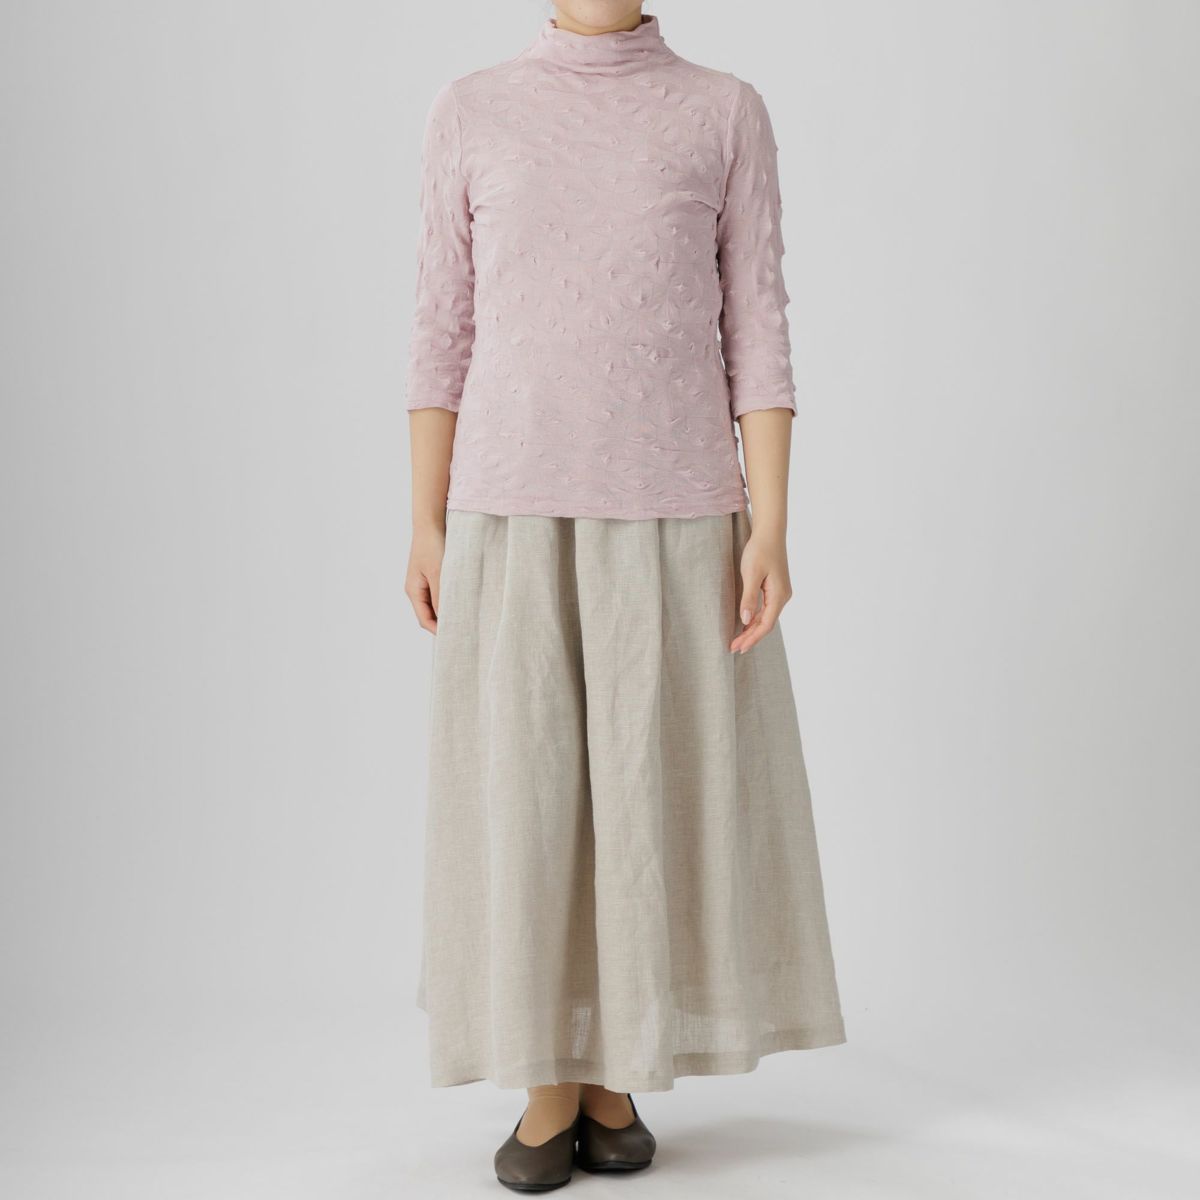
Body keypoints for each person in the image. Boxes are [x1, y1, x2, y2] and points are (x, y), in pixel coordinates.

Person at [404, 3, 845, 1190]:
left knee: (647, 803)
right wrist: (425, 517)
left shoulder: (723, 112)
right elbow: (442, 327)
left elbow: (759, 326)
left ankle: (617, 1073)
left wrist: (771, 521)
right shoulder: (472, 110)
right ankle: (548, 1077)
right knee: (530, 797)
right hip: (511, 513)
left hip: (677, 512)